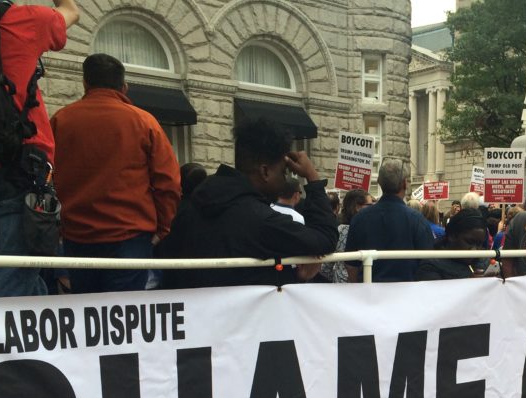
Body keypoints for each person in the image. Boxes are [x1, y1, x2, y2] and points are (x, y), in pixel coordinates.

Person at [0, 0, 80, 297]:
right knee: (16, 276)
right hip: (24, 166)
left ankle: (40, 343)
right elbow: (71, 12)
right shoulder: (18, 19)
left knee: (24, 274)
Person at [52, 54, 181, 294]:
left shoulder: (61, 120)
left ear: (85, 83)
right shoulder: (144, 122)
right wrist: (161, 228)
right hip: (129, 234)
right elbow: (169, 183)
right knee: (123, 318)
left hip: (78, 234)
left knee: (88, 315)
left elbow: (48, 176)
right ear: (124, 86)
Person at [158, 118, 336, 288]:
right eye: (283, 172)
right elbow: (325, 238)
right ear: (265, 171)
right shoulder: (260, 219)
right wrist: (313, 179)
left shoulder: (189, 207)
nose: (284, 180)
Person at [345, 159, 434, 282]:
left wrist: (361, 292)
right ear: (404, 184)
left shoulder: (359, 219)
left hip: (369, 295)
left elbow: (351, 266)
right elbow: (428, 265)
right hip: (407, 295)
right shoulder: (418, 220)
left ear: (379, 182)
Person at [416, 208, 491, 280]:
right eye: (469, 242)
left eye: (479, 244)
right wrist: (468, 283)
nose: (475, 250)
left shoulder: (484, 261)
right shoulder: (430, 266)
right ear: (452, 236)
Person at [325, 188, 371, 284]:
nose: (373, 208)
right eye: (369, 205)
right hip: (349, 285)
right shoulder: (341, 231)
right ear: (357, 207)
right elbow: (326, 265)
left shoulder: (339, 230)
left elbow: (325, 268)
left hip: (344, 284)